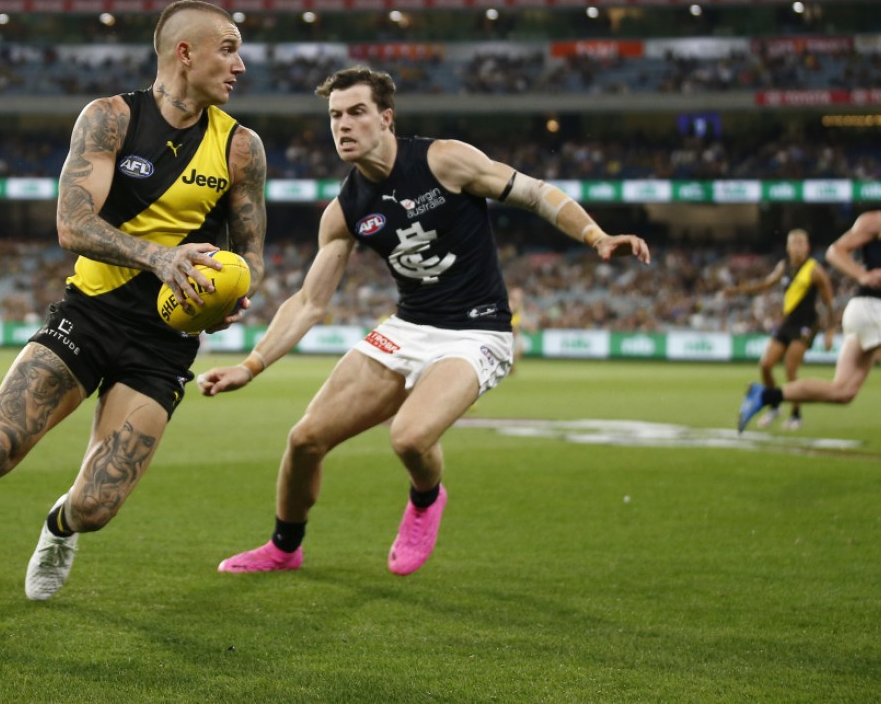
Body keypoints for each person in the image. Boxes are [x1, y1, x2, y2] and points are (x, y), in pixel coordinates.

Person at [0, 0, 267, 613]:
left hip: (163, 344)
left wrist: (235, 294)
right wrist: (160, 258)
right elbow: (73, 223)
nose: (241, 64)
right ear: (183, 52)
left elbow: (251, 252)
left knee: (96, 507)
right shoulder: (110, 119)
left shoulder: (242, 149)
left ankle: (60, 526)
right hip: (88, 315)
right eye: (229, 48)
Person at [199, 66, 650, 576]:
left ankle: (426, 499)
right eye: (334, 116)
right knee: (305, 439)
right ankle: (284, 548)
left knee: (410, 437)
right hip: (408, 327)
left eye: (356, 113)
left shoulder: (444, 160)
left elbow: (534, 192)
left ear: (386, 118)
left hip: (478, 330)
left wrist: (595, 237)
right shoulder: (345, 210)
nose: (342, 125)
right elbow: (308, 302)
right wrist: (251, 365)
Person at [738, 162, 881, 477]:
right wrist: (862, 273)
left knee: (843, 391)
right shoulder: (877, 221)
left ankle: (764, 394)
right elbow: (836, 251)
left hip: (868, 313)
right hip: (870, 307)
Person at [723, 229, 835, 430]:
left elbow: (828, 300)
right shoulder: (784, 267)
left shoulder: (815, 270)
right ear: (788, 247)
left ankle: (796, 415)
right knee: (765, 365)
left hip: (807, 324)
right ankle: (774, 406)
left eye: (802, 243)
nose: (798, 247)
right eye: (794, 243)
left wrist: (830, 331)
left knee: (790, 368)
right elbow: (766, 284)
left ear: (807, 247)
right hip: (788, 322)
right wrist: (738, 290)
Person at [507, 286, 527, 373]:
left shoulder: (519, 305)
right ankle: (509, 367)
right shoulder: (510, 303)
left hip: (516, 331)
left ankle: (510, 366)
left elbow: (520, 318)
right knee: (513, 350)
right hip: (510, 331)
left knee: (520, 349)